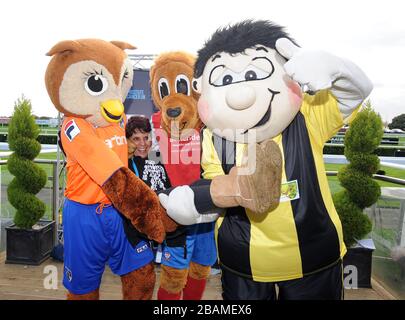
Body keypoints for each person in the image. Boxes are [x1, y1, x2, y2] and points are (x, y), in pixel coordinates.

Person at [125, 115, 171, 263]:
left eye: (146, 137)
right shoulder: (126, 164)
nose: (143, 143)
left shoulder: (158, 157)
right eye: (136, 139)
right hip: (141, 234)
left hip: (166, 228)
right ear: (128, 141)